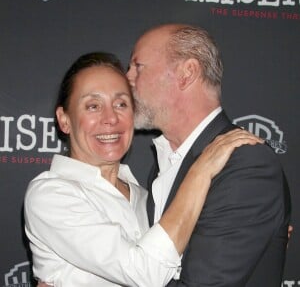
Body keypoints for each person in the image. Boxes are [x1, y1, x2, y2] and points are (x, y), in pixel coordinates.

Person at [24, 52, 262, 287]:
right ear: (64, 120)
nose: (110, 118)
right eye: (93, 106)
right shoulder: (50, 194)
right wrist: (201, 171)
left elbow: (185, 268)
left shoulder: (146, 196)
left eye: (121, 104)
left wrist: (250, 232)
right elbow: (144, 273)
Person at [126, 24, 291, 286]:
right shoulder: (165, 165)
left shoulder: (245, 165)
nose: (127, 79)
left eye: (138, 67)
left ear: (186, 73)